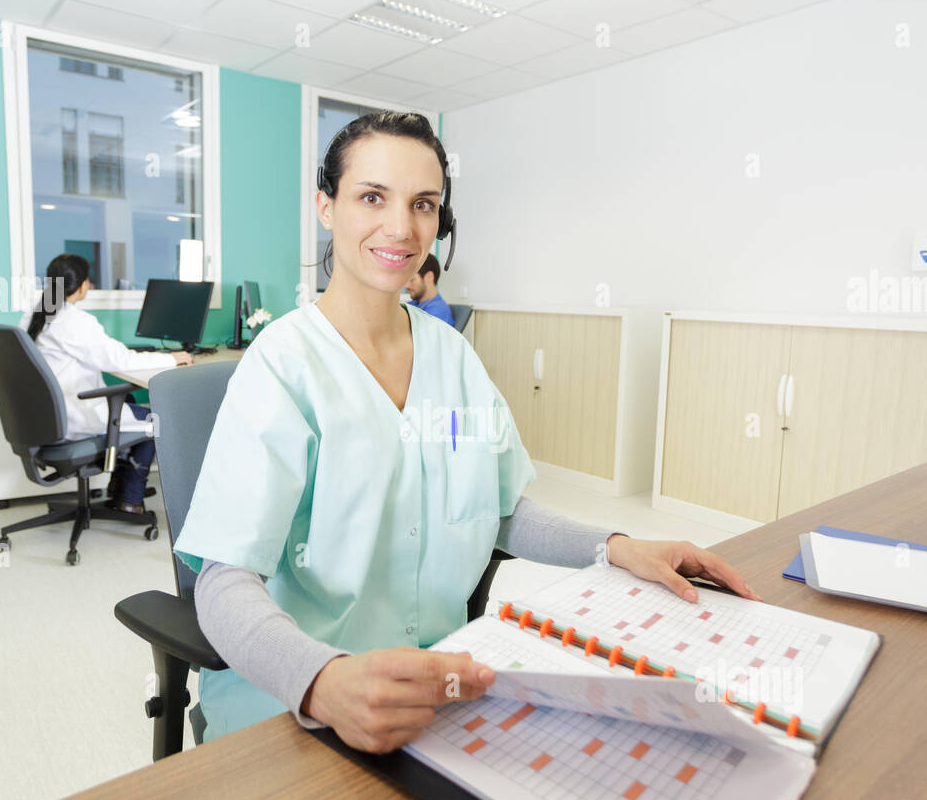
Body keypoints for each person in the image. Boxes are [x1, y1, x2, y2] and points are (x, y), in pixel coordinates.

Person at [173, 111, 760, 753]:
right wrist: (322, 681)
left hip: (443, 680)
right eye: (372, 197)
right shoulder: (283, 366)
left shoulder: (451, 358)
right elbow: (224, 581)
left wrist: (617, 546)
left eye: (423, 204)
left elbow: (499, 511)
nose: (401, 227)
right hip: (300, 697)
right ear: (326, 206)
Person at [20, 254, 191, 512]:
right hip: (74, 418)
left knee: (129, 402)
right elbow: (120, 361)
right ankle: (130, 499)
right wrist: (171, 359)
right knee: (155, 420)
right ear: (82, 286)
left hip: (45, 421)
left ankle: (119, 486)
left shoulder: (34, 315)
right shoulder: (75, 322)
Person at [405, 252, 454, 326]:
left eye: (412, 279)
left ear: (429, 277)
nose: (406, 286)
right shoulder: (412, 304)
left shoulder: (439, 311)